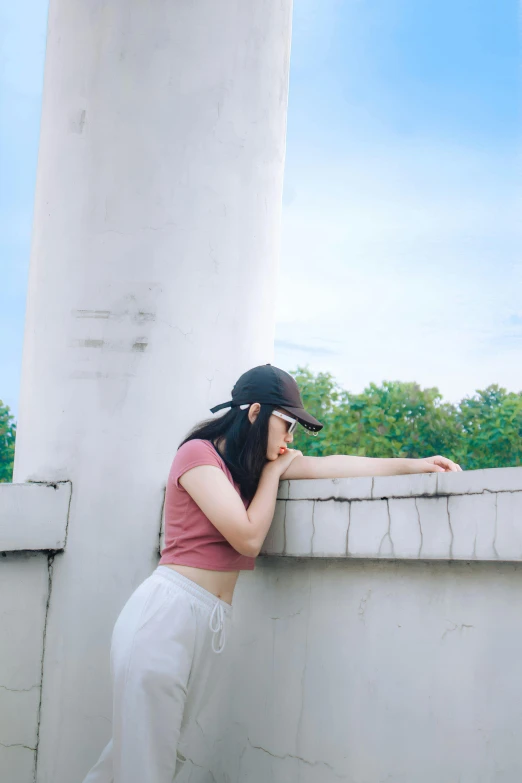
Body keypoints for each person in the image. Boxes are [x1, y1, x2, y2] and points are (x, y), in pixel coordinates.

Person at [82, 363, 461, 782]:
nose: (290, 439)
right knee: (145, 765)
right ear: (254, 412)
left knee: (142, 758)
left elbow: (331, 466)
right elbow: (246, 538)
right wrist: (275, 473)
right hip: (164, 617)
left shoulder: (250, 468)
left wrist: (413, 465)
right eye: (286, 425)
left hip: (206, 623)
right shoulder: (197, 455)